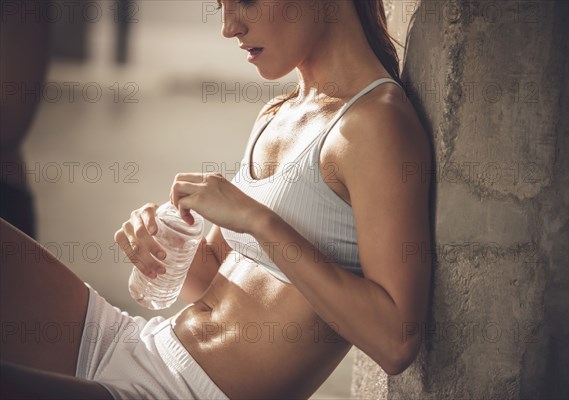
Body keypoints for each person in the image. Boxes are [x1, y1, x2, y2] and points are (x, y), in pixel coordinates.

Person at [0, 0, 433, 398]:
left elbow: (396, 340)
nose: (228, 27)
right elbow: (209, 286)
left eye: (244, 1)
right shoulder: (278, 114)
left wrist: (258, 221)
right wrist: (163, 247)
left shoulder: (376, 123)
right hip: (138, 344)